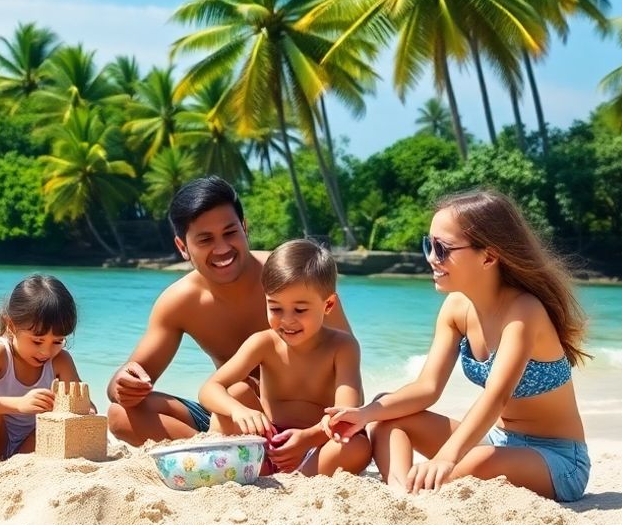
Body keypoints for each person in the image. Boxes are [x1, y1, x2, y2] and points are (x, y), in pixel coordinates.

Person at [323, 190, 591, 502]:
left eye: (442, 249)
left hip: (557, 459)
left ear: (488, 257)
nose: (430, 258)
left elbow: (496, 397)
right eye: (429, 244)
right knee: (386, 413)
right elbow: (427, 387)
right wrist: (364, 413)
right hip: (495, 440)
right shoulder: (456, 308)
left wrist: (446, 458)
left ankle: (424, 489)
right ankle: (402, 494)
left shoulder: (524, 311)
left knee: (476, 461)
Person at [106, 176, 353, 444]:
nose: (222, 248)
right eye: (205, 240)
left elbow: (344, 357)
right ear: (182, 247)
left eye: (230, 233)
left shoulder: (293, 277)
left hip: (309, 425)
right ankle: (219, 453)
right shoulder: (180, 302)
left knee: (239, 389)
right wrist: (121, 385)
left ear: (244, 228)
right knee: (120, 414)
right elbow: (129, 381)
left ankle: (235, 453)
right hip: (233, 417)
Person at [199, 239, 371, 476]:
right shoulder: (263, 342)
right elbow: (209, 389)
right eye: (276, 308)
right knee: (236, 393)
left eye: (300, 310)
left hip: (318, 442)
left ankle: (296, 475)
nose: (287, 320)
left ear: (328, 305)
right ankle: (257, 464)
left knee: (357, 447)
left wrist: (307, 439)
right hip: (269, 440)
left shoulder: (343, 347)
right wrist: (238, 410)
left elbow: (345, 412)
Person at [0, 274, 89, 460]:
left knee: (58, 425)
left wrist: (84, 410)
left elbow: (81, 401)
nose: (46, 351)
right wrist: (19, 404)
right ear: (11, 325)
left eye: (58, 341)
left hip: (30, 442)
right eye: (37, 341)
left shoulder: (61, 360)